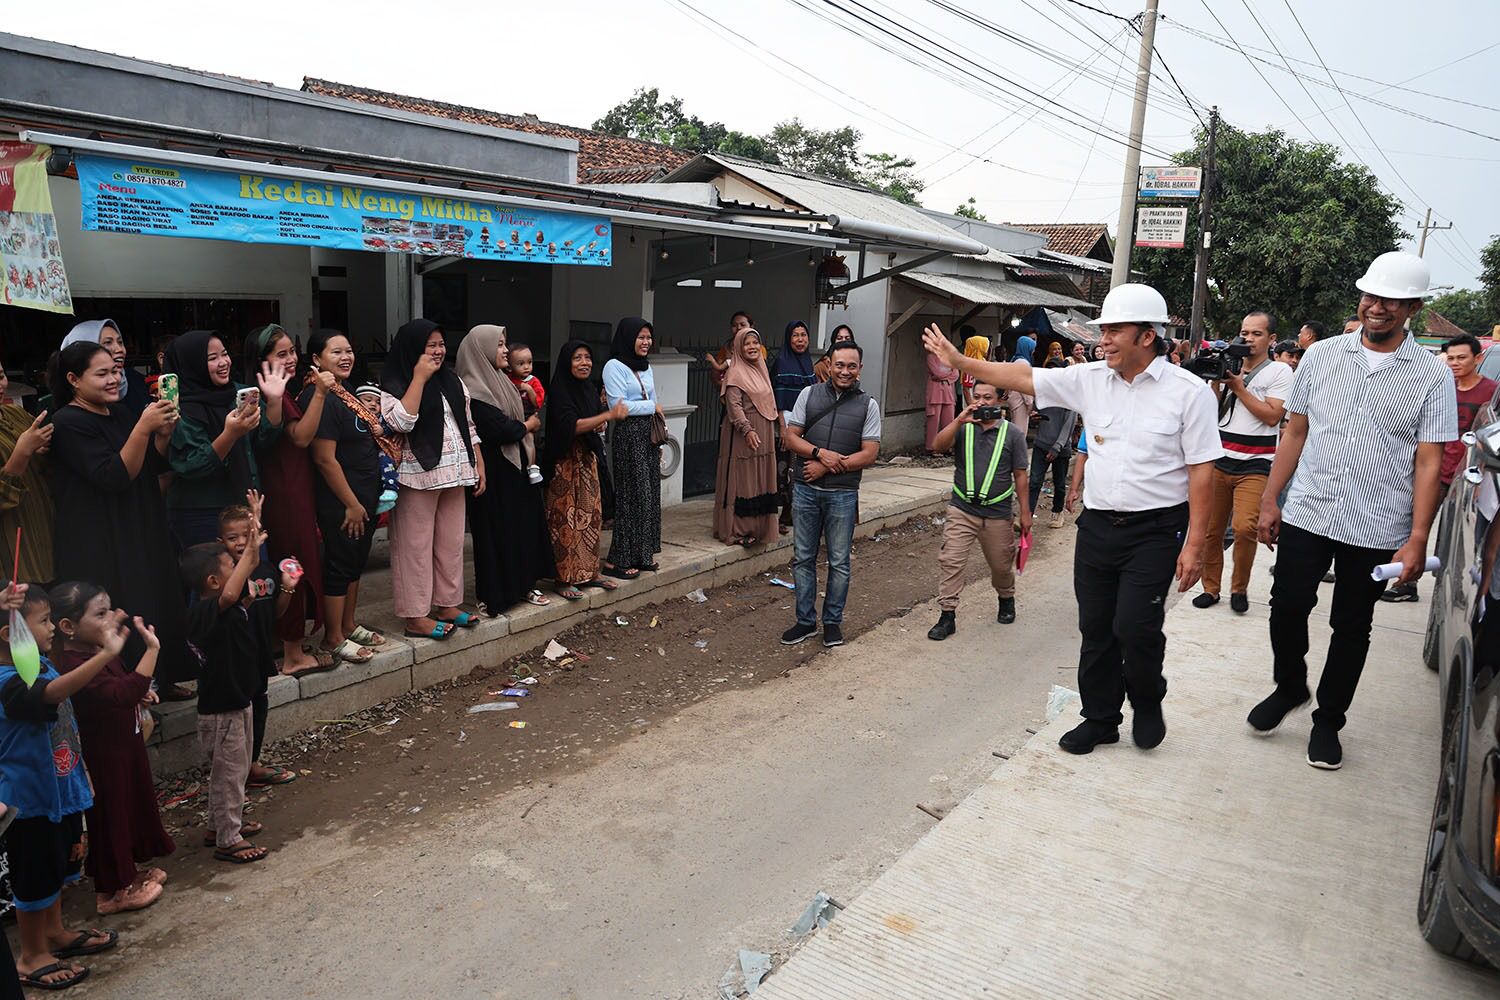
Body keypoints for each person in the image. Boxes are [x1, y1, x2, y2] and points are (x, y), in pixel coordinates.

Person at [924, 282, 1222, 755]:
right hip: (1099, 527)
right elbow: (1021, 378)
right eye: (1103, 330)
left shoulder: (1189, 393)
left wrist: (1196, 545)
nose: (1103, 339)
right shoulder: (1090, 380)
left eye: (1114, 330)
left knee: (1136, 628)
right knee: (1097, 627)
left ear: (1148, 336)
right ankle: (1100, 717)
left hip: (1157, 530)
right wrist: (960, 362)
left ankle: (1147, 700)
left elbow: (1202, 471)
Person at [1255, 251, 1456, 770]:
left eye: (1391, 300)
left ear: (1411, 306)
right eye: (1371, 296)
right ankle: (1290, 686)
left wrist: (1417, 537)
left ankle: (1328, 722)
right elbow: (1294, 431)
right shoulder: (1321, 356)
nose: (1377, 307)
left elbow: (1430, 461)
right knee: (1286, 605)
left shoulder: (1432, 376)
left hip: (1376, 523)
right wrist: (1271, 498)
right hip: (1309, 510)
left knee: (1352, 625)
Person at [48, 342, 192, 693]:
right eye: (102, 374)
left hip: (139, 523)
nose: (114, 379)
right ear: (73, 380)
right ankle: (130, 689)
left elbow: (149, 465)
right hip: (101, 537)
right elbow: (113, 475)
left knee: (153, 598)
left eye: (115, 371)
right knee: (123, 605)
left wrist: (162, 435)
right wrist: (143, 429)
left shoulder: (121, 413)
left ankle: (160, 676)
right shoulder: (67, 422)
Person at [0, 582, 122, 990]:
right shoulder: (8, 682)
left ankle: (54, 934)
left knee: (56, 870)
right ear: (10, 634)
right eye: (44, 621)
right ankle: (31, 954)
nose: (52, 628)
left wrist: (80, 771)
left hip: (62, 789)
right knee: (33, 879)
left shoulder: (38, 663)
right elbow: (51, 694)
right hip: (28, 800)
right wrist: (105, 654)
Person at [50, 581, 174, 915]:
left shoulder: (94, 651)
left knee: (130, 806)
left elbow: (121, 685)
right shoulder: (73, 663)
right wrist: (151, 652)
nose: (109, 621)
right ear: (68, 627)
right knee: (110, 817)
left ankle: (129, 872)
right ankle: (111, 892)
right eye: (100, 614)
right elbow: (118, 694)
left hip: (125, 742)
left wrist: (142, 691)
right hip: (101, 753)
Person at [182, 529, 283, 864]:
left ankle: (218, 826)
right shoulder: (205, 612)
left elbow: (242, 578)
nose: (241, 569)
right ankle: (229, 838)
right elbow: (228, 597)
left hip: (238, 700)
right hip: (221, 711)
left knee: (231, 773)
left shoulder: (230, 606)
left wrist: (254, 539)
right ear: (213, 581)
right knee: (229, 775)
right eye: (232, 567)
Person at [380, 319, 484, 640]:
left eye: (441, 345)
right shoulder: (394, 382)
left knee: (451, 544)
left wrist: (478, 462)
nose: (438, 352)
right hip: (417, 475)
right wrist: (419, 378)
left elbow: (468, 425)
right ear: (413, 350)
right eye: (431, 346)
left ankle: (448, 605)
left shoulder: (453, 381)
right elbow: (401, 421)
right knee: (415, 548)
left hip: (455, 472)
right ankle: (416, 616)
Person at [1381, 331, 1496, 604]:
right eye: (1451, 358)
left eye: (1462, 358)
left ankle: (1456, 586)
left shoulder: (1491, 392)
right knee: (1416, 526)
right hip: (1436, 471)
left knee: (1456, 536)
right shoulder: (1439, 387)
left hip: (1470, 475)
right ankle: (1406, 583)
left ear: (1478, 358)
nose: (1455, 363)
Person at [780, 340, 882, 649]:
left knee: (839, 561)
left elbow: (870, 453)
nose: (845, 371)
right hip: (805, 491)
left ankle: (832, 623)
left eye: (852, 366)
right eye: (840, 365)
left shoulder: (869, 405)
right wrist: (818, 453)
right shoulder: (808, 395)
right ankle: (805, 621)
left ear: (860, 369)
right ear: (829, 364)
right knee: (803, 559)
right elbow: (790, 437)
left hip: (842, 494)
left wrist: (827, 466)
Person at [1193, 311, 1295, 615]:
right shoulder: (1228, 365)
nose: (1248, 339)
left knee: (1244, 527)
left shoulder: (1279, 372)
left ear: (1271, 339)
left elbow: (1272, 416)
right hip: (1220, 458)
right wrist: (1216, 380)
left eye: (1256, 334)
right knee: (1211, 529)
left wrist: (1238, 386)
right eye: (1245, 332)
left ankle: (1239, 588)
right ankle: (1211, 588)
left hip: (1256, 463)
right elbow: (1211, 412)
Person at [243, 325, 331, 677]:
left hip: (289, 490)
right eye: (281, 354)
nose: (291, 358)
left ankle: (285, 642)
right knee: (294, 563)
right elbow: (301, 437)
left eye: (291, 351)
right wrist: (322, 393)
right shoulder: (268, 397)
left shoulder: (280, 393)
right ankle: (293, 654)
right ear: (261, 361)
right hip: (285, 494)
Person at [301, 331, 389, 664]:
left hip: (362, 499)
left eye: (349, 350)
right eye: (335, 352)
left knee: (355, 564)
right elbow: (324, 458)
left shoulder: (346, 392)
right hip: (342, 501)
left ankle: (348, 625)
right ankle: (332, 637)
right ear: (316, 360)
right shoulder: (319, 397)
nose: (345, 357)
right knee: (339, 564)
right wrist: (351, 503)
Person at [454, 325, 556, 612]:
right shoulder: (473, 388)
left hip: (515, 467)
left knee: (520, 528)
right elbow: (497, 429)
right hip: (493, 472)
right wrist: (527, 426)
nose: (505, 350)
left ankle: (523, 584)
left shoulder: (503, 381)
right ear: (481, 350)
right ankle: (496, 593)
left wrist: (523, 427)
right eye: (499, 345)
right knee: (496, 532)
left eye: (504, 344)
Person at [164, 330, 286, 549]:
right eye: (212, 358)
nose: (224, 362)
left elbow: (264, 441)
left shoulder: (239, 393)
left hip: (245, 506)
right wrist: (230, 435)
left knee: (254, 577)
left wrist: (276, 401)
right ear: (192, 365)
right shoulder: (178, 408)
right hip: (202, 513)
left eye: (225, 354)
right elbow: (191, 465)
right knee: (215, 579)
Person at [927, 381, 1030, 640]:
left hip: (997, 514)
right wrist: (959, 421)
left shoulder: (1013, 434)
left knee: (1000, 565)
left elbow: (1020, 475)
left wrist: (1025, 513)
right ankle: (947, 615)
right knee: (951, 560)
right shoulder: (964, 428)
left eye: (987, 397)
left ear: (1000, 400)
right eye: (977, 396)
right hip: (962, 509)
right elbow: (938, 446)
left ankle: (1006, 597)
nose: (981, 402)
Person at [217, 499, 300, 789]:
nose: (241, 542)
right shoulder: (219, 580)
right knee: (236, 715)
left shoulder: (266, 570)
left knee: (258, 706)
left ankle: (252, 765)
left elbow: (275, 612)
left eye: (246, 535)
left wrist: (288, 586)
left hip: (259, 654)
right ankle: (234, 775)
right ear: (220, 542)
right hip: (232, 661)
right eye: (232, 537)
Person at [543, 341, 630, 602]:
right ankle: (563, 578)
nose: (584, 363)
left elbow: (591, 423)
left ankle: (589, 572)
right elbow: (572, 426)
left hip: (587, 460)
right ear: (567, 362)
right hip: (565, 464)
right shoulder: (559, 390)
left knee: (591, 518)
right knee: (565, 521)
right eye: (577, 358)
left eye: (588, 358)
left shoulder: (588, 388)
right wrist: (608, 416)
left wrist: (601, 420)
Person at [601, 317, 663, 578]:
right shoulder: (613, 366)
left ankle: (642, 554)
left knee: (649, 495)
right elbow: (619, 407)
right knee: (632, 495)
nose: (646, 342)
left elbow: (655, 399)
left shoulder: (646, 367)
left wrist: (661, 433)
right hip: (628, 436)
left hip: (647, 434)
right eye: (640, 337)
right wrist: (652, 408)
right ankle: (618, 560)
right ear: (628, 338)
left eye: (648, 337)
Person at [713, 328, 781, 546]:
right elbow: (734, 406)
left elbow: (770, 402)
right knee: (744, 479)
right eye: (746, 343)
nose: (751, 347)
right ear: (738, 348)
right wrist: (747, 429)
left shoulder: (761, 370)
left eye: (755, 343)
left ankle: (760, 527)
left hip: (765, 432)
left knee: (761, 478)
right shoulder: (735, 373)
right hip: (744, 434)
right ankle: (739, 529)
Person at [0, 359, 53, 582]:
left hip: (43, 531)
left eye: (1, 376)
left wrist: (44, 446)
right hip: (12, 551)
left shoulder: (14, 414)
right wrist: (22, 451)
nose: (0, 384)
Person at [772, 322, 817, 533]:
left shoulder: (808, 362)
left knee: (798, 468)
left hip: (806, 425)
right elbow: (778, 399)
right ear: (788, 339)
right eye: (795, 336)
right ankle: (779, 516)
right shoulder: (782, 362)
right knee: (783, 471)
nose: (800, 340)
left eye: (803, 335)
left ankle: (792, 512)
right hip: (787, 425)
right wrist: (782, 427)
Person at [61, 319, 148, 417]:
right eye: (107, 342)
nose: (119, 349)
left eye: (120, 342)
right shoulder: (68, 419)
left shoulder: (135, 380)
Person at [1029, 389, 1078, 530]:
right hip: (1041, 443)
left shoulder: (1069, 397)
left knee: (1060, 483)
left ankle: (1057, 511)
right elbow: (1035, 413)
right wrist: (1034, 417)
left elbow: (1069, 425)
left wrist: (1057, 447)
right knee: (1034, 482)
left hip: (1061, 449)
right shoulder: (1042, 395)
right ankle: (1028, 515)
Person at [505, 341, 545, 481]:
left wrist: (528, 389)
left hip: (528, 416)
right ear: (509, 367)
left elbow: (537, 403)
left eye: (529, 362)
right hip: (512, 416)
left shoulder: (534, 382)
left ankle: (532, 466)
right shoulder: (507, 380)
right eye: (521, 364)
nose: (526, 367)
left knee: (529, 439)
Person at [924, 332, 958, 452]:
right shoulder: (931, 357)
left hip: (948, 393)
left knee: (948, 421)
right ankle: (931, 447)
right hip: (935, 393)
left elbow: (956, 374)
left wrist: (942, 377)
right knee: (934, 420)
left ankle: (946, 446)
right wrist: (948, 376)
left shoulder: (950, 357)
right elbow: (937, 372)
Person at [705, 310, 754, 388]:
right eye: (734, 325)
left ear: (751, 327)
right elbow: (717, 370)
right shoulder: (726, 347)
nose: (738, 328)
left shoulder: (758, 349)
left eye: (742, 324)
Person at [959, 331, 990, 407]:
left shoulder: (982, 362)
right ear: (979, 347)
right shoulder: (971, 365)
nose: (987, 349)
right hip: (973, 409)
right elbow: (966, 390)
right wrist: (972, 408)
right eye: (985, 346)